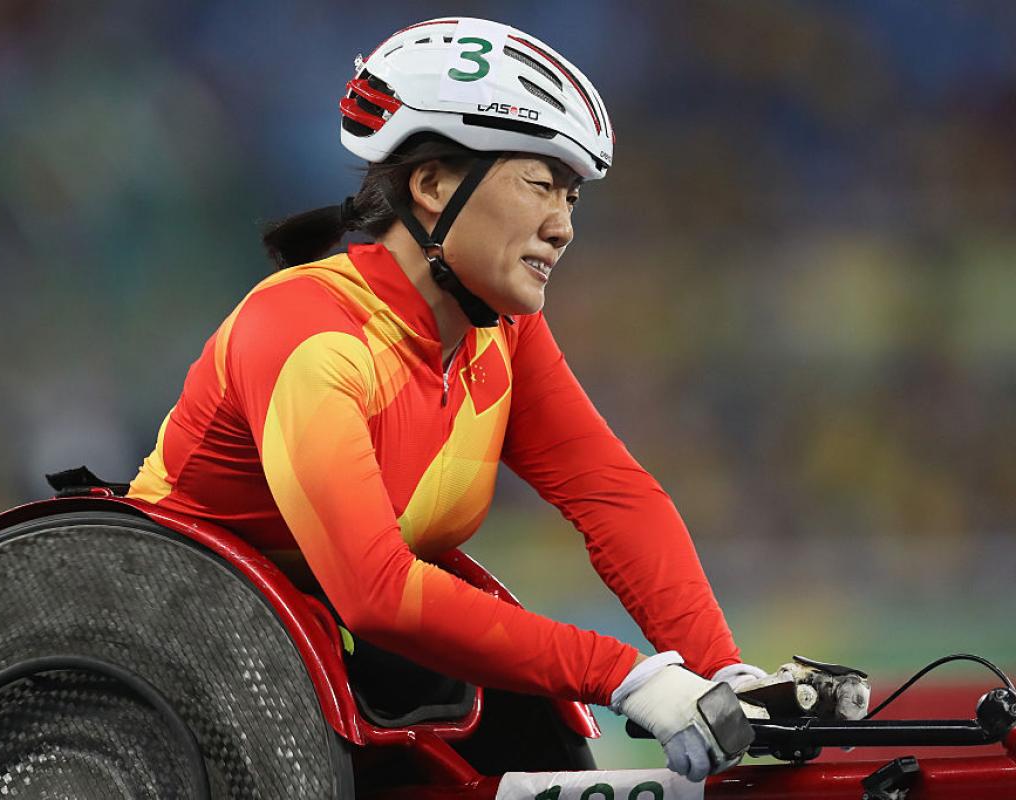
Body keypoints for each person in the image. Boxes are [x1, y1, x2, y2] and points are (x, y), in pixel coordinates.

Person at [127, 16, 764, 783]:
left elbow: (610, 494)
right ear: (431, 186)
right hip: (175, 680)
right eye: (540, 185)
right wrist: (628, 674)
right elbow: (377, 594)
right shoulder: (306, 336)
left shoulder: (502, 330)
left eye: (572, 196)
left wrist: (721, 670)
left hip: (321, 660)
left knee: (530, 736)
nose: (562, 228)